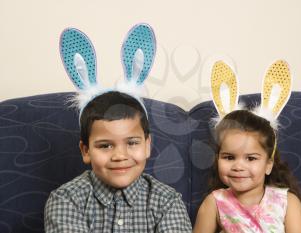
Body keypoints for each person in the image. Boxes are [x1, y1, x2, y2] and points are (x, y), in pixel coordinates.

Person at [44, 24, 192, 232]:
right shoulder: (66, 201)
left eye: (132, 142)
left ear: (147, 145)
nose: (120, 155)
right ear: (86, 150)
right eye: (105, 146)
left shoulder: (167, 202)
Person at [193, 60, 301, 233]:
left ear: (268, 164)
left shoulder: (287, 202)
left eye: (251, 158)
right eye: (229, 157)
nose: (238, 166)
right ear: (218, 158)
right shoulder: (214, 203)